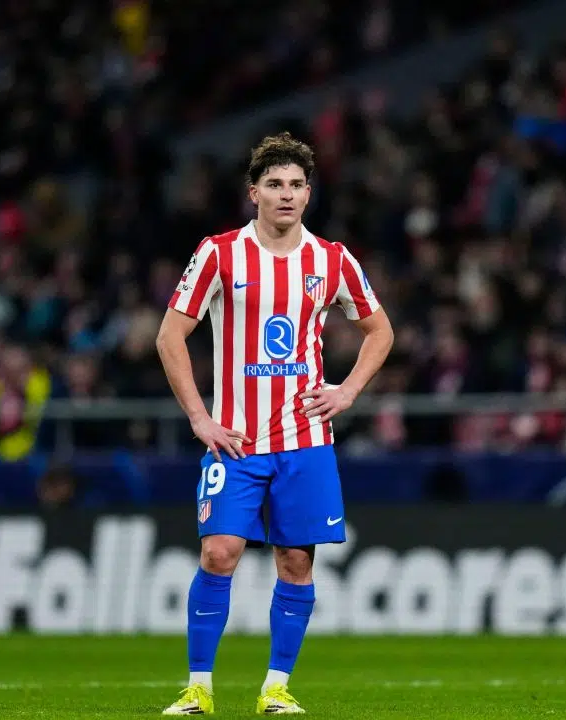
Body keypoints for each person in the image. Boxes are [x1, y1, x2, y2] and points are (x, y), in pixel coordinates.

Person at [155, 132, 394, 715]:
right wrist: (200, 417)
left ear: (308, 193)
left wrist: (349, 390)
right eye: (274, 185)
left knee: (295, 561)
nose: (286, 195)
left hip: (305, 440)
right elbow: (169, 337)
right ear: (253, 192)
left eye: (295, 185)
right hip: (235, 438)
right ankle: (198, 689)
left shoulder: (332, 259)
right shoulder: (218, 254)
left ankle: (276, 688)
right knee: (220, 552)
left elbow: (380, 330)